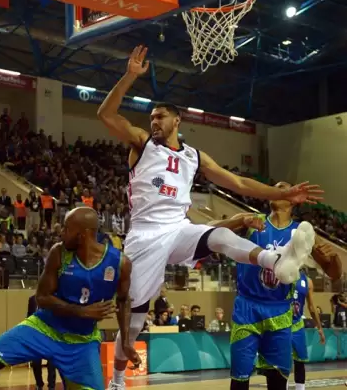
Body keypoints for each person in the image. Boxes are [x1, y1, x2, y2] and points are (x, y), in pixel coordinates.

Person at [98, 45, 324, 390]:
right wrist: (130, 75)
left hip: (178, 228)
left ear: (177, 120)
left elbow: (237, 182)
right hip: (144, 234)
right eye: (151, 118)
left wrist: (281, 194)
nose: (153, 122)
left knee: (217, 236)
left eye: (160, 117)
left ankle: (274, 261)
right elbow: (107, 115)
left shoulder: (194, 156)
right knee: (133, 320)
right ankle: (115, 381)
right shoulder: (143, 144)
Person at [0, 207, 140, 390]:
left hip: (82, 341)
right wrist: (81, 311)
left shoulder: (120, 263)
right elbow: (42, 298)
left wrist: (128, 342)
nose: (61, 233)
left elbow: (123, 301)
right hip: (44, 327)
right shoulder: (59, 252)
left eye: (66, 229)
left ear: (82, 235)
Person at [211, 183, 341, 390]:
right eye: (274, 187)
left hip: (280, 310)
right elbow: (210, 228)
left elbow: (334, 273)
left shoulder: (300, 232)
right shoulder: (253, 220)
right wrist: (237, 221)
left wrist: (333, 257)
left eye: (282, 187)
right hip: (247, 307)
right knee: (239, 378)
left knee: (278, 380)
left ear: (292, 200)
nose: (275, 189)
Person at [290, 272, 325, 390]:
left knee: (300, 361)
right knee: (281, 364)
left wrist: (319, 328)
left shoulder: (307, 281)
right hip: (281, 324)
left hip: (297, 325)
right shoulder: (281, 273)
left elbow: (311, 306)